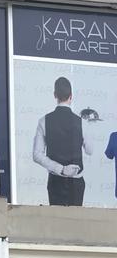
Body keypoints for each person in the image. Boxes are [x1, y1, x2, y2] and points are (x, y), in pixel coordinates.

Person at [33, 77, 92, 206]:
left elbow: (37, 155)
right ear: (71, 96)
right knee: (75, 218)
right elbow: (90, 150)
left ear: (55, 95)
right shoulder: (81, 122)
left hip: (55, 181)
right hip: (76, 182)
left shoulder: (43, 121)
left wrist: (61, 169)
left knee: (56, 218)